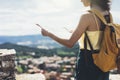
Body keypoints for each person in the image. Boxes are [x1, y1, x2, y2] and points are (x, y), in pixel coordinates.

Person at [39, 0, 111, 80]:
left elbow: (70, 43)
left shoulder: (87, 16)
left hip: (88, 61)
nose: (80, 0)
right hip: (104, 60)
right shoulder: (108, 15)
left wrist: (49, 34)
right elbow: (97, 34)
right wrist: (77, 32)